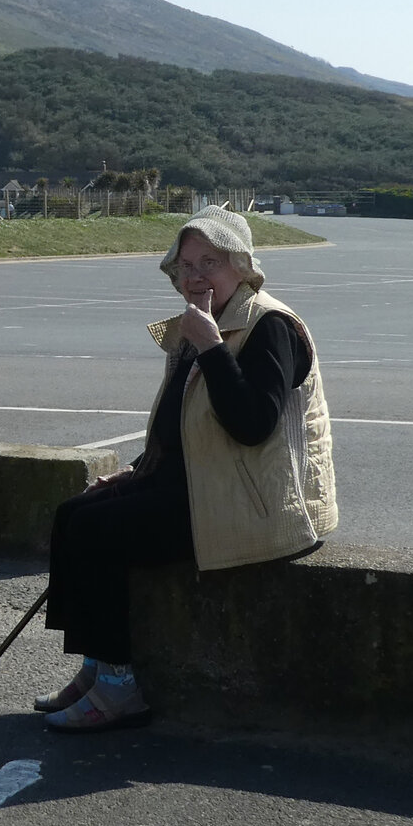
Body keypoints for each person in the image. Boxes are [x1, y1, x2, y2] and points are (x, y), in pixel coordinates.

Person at [34, 205, 336, 732]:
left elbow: (252, 425)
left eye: (210, 263)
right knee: (73, 513)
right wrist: (138, 469)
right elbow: (179, 425)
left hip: (255, 504)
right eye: (185, 266)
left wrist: (212, 349)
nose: (195, 277)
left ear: (241, 267)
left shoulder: (270, 326)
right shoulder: (200, 326)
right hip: (201, 484)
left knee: (99, 531)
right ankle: (94, 665)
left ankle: (119, 687)